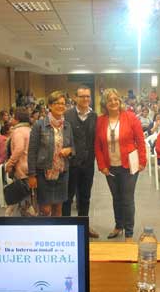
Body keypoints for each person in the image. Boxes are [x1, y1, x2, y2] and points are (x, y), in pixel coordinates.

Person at [95, 88, 146, 242]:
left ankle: (129, 233)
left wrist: (142, 161)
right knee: (116, 198)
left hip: (129, 165)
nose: (113, 102)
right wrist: (101, 164)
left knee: (127, 198)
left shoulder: (130, 117)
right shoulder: (100, 121)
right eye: (110, 100)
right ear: (105, 103)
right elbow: (97, 145)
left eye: (116, 99)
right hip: (110, 166)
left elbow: (140, 140)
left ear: (120, 101)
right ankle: (119, 225)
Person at [28, 91, 75, 217]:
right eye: (57, 103)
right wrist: (31, 175)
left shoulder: (67, 126)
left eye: (63, 104)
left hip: (62, 173)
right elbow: (32, 151)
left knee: (58, 209)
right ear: (50, 105)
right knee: (46, 210)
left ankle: (56, 236)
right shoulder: (39, 125)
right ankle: (44, 235)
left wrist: (69, 150)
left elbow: (73, 147)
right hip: (44, 173)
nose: (61, 106)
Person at [62, 85, 99, 238]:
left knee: (85, 196)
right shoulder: (67, 115)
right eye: (82, 96)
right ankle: (66, 228)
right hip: (70, 163)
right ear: (75, 98)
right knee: (67, 197)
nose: (85, 99)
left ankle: (84, 226)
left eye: (87, 96)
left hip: (88, 163)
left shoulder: (94, 116)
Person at [5, 111, 31, 216]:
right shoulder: (30, 129)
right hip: (30, 166)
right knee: (28, 194)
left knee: (20, 194)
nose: (11, 119)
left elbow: (19, 149)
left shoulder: (18, 131)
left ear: (18, 119)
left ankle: (10, 217)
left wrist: (9, 164)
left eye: (13, 117)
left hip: (22, 167)